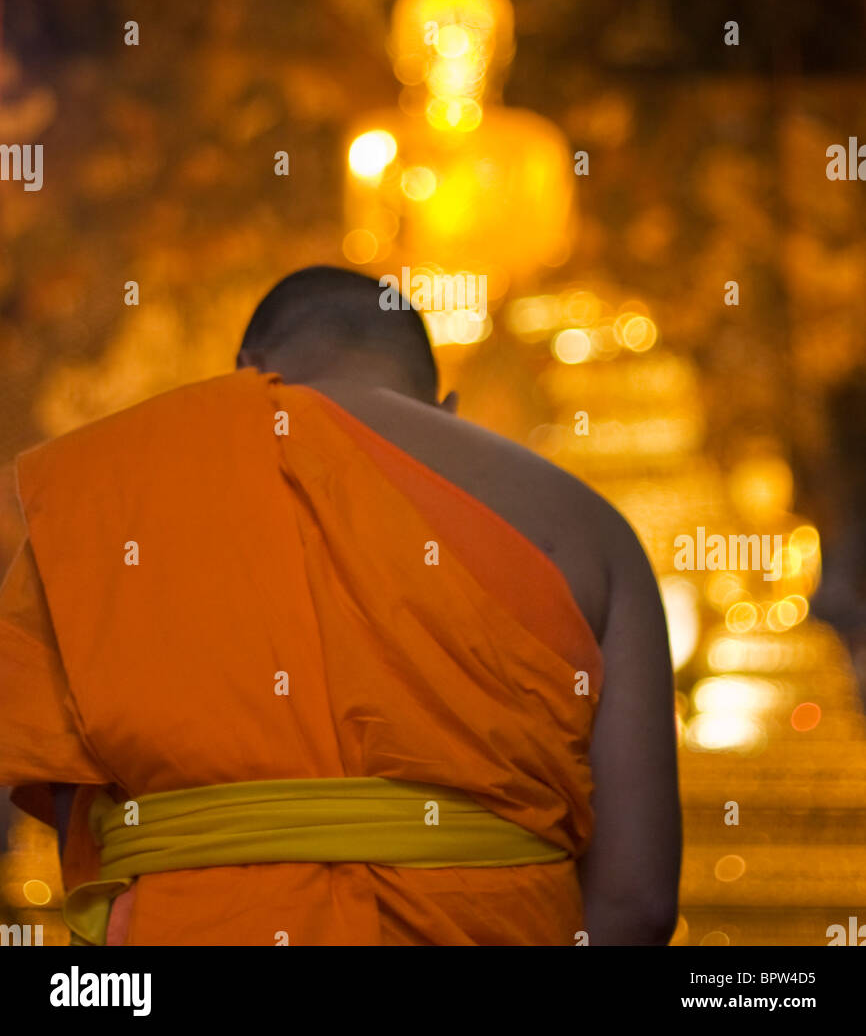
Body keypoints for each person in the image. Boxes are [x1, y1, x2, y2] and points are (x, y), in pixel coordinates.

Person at [0, 265, 680, 946]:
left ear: (243, 375)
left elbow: (86, 844)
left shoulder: (100, 497)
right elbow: (638, 902)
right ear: (444, 406)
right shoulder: (591, 528)